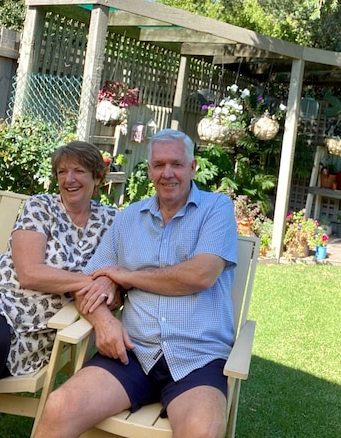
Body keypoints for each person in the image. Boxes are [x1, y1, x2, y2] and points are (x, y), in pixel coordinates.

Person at [35, 129, 238, 438]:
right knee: (59, 406)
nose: (167, 173)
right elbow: (91, 282)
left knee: (202, 431)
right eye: (158, 165)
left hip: (197, 357)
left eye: (176, 164)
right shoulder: (129, 218)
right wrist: (104, 323)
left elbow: (201, 275)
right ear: (149, 170)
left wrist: (125, 276)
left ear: (193, 167)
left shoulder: (216, 209)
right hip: (132, 351)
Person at [0, 141, 119, 438]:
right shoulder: (40, 206)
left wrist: (108, 282)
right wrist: (90, 281)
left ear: (97, 176)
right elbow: (30, 274)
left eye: (79, 171)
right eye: (61, 172)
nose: (69, 179)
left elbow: (116, 281)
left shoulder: (111, 221)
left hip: (36, 332)